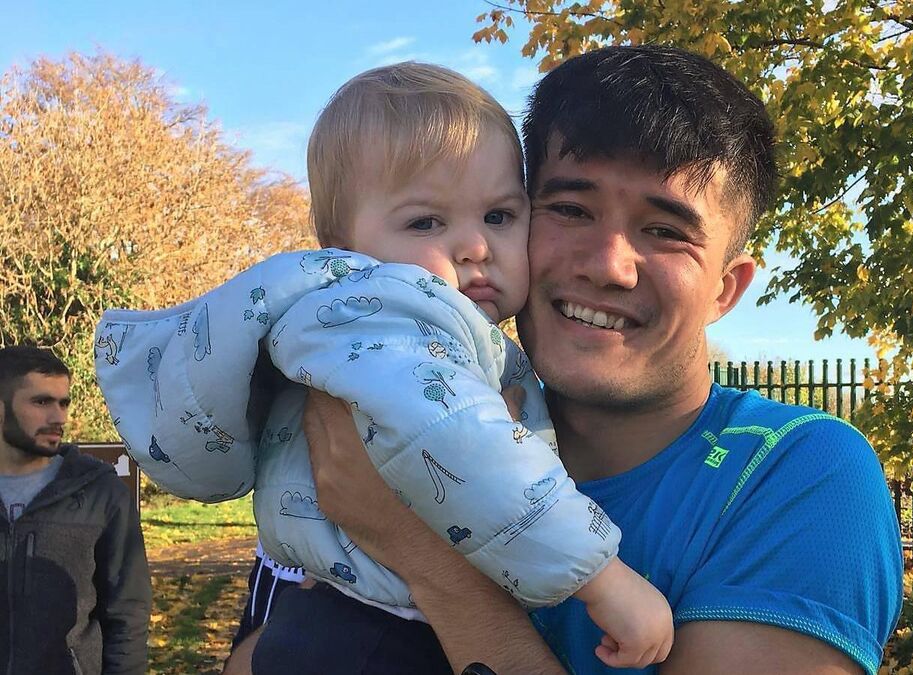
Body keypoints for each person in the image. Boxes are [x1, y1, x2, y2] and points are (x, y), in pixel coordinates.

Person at [289, 44, 905, 675]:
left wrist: (428, 556)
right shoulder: (383, 407)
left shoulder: (800, 475)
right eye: (570, 210)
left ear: (726, 289)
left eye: (665, 231)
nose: (608, 266)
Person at [93, 62, 671, 674]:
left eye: (499, 215)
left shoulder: (381, 328)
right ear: (341, 247)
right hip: (379, 638)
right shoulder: (387, 312)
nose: (476, 246)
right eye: (426, 222)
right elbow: (467, 448)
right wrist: (600, 578)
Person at [0, 345, 151, 675]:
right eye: (41, 402)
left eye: (63, 403)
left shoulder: (101, 493)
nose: (59, 418)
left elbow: (127, 613)